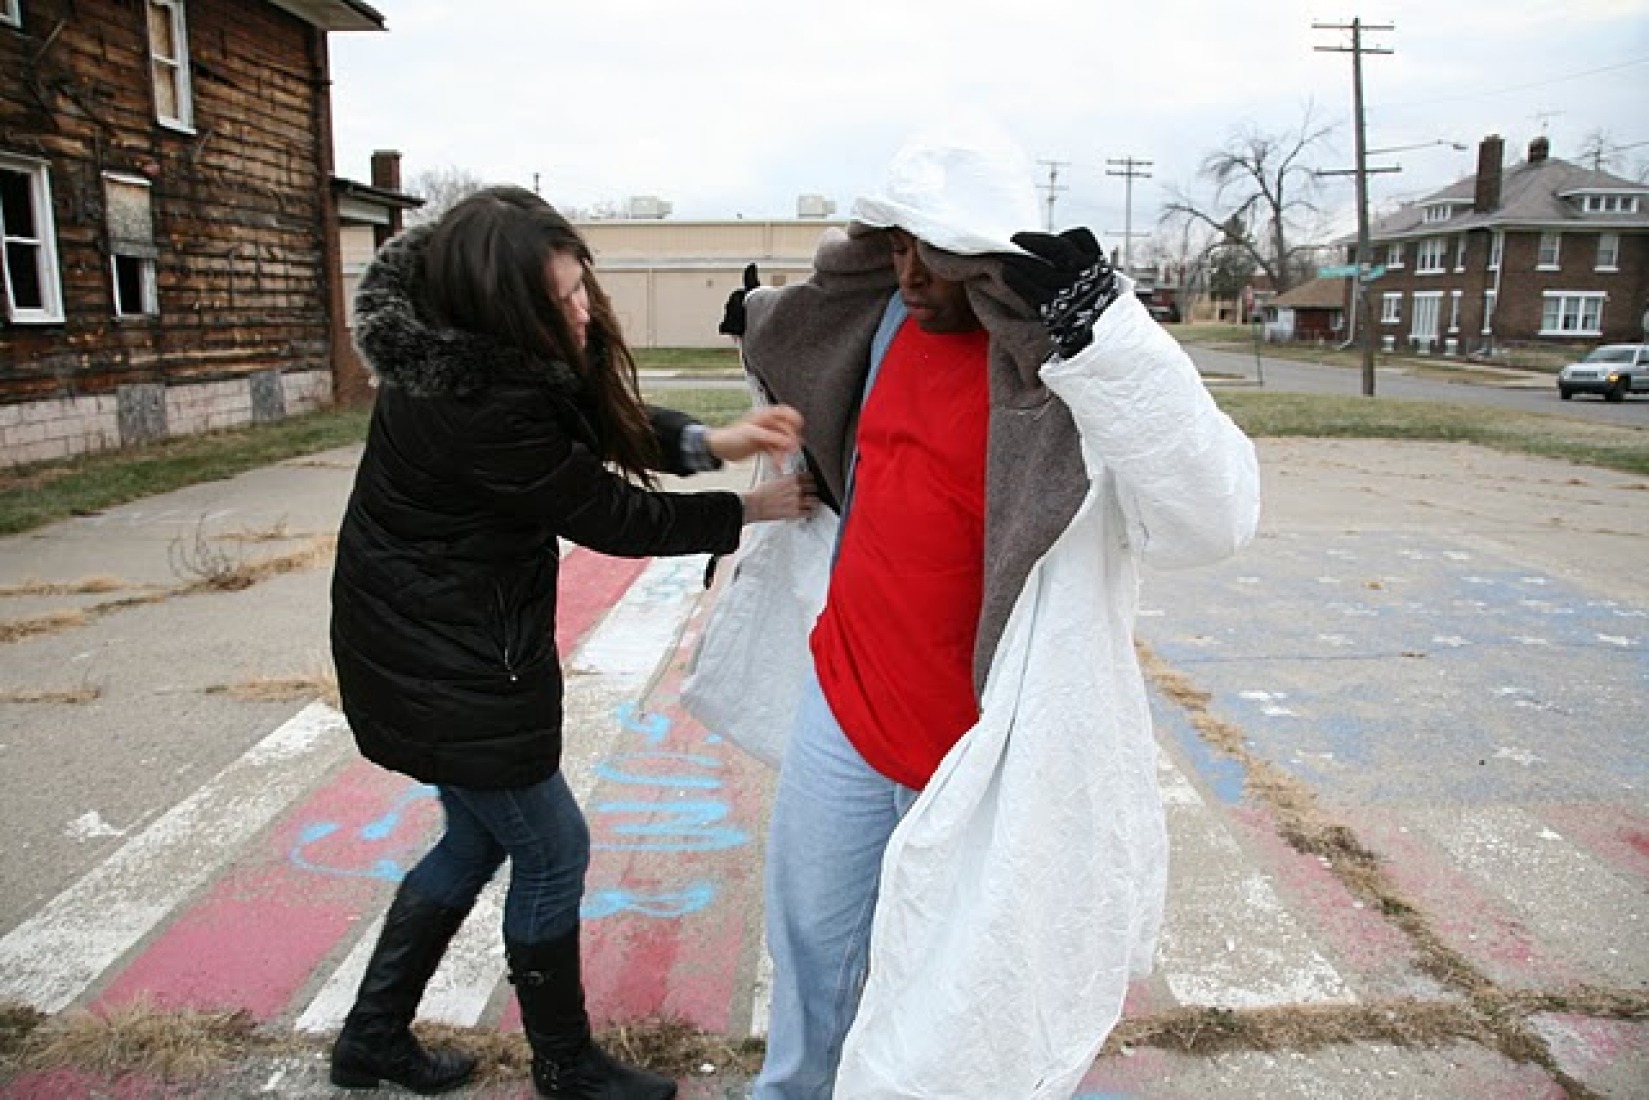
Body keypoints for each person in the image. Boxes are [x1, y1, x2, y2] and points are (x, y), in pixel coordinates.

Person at [706, 124, 1261, 1097]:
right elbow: (810, 334)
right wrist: (758, 318)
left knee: (954, 1012)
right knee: (810, 953)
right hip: (845, 705)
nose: (913, 273)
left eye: (934, 249)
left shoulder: (1070, 359)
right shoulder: (878, 323)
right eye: (897, 243)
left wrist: (1109, 335)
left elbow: (1212, 515)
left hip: (977, 753)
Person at [327, 185, 812, 1100]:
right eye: (560, 301)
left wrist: (714, 439)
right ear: (503, 308)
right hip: (448, 660)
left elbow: (591, 420)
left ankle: (370, 1037)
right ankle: (565, 1065)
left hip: (431, 641)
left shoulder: (472, 355)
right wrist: (748, 508)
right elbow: (605, 511)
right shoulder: (476, 401)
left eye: (581, 286)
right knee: (552, 849)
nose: (584, 310)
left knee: (474, 842)